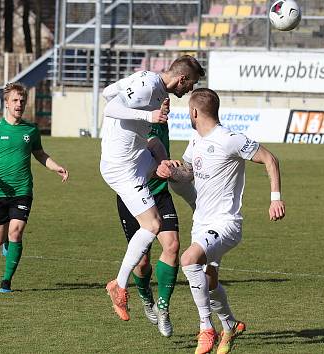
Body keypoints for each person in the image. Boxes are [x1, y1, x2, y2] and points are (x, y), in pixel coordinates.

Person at [157, 88, 285, 354]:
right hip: (201, 222)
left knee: (188, 260)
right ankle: (229, 325)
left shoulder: (230, 139)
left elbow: (270, 159)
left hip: (226, 223)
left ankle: (206, 327)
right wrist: (170, 172)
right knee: (209, 280)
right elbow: (188, 174)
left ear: (194, 112)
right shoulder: (196, 140)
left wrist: (275, 198)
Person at [99, 55, 205, 322]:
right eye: (190, 84)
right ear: (182, 79)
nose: (189, 90)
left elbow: (108, 90)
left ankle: (200, 208)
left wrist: (158, 158)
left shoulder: (150, 84)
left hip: (137, 155)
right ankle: (119, 286)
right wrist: (147, 115)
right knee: (152, 225)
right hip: (122, 167)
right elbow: (110, 106)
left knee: (159, 151)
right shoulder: (147, 86)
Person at [0, 82, 69, 293]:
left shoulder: (31, 130)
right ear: (6, 103)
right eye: (15, 100)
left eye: (22, 101)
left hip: (23, 191)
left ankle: (6, 281)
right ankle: (6, 245)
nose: (19, 104)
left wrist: (57, 167)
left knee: (15, 233)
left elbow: (40, 154)